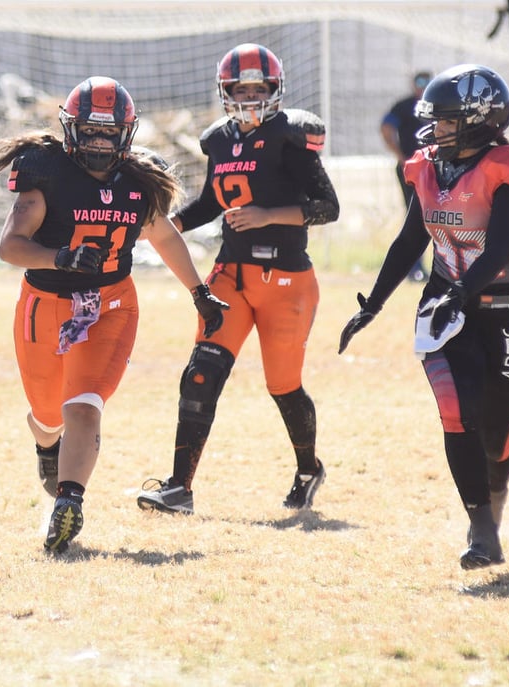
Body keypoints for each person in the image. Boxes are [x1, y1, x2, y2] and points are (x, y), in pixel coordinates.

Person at [0, 76, 228, 553]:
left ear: (125, 134)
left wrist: (199, 291)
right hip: (44, 305)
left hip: (110, 305)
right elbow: (11, 246)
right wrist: (60, 258)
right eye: (90, 131)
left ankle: (69, 503)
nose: (98, 141)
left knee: (84, 406)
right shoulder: (45, 170)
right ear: (71, 131)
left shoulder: (140, 178)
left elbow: (164, 236)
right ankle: (47, 447)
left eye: (107, 133)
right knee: (48, 415)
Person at [338, 64, 509, 570]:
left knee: (497, 436)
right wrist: (374, 304)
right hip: (446, 313)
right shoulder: (428, 165)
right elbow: (411, 239)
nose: (435, 130)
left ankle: (492, 510)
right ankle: (481, 529)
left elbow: (499, 249)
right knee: (457, 414)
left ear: (478, 120)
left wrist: (463, 290)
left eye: (447, 121)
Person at [135, 43, 340, 515]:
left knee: (283, 385)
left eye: (258, 87)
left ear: (275, 89)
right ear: (226, 91)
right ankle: (179, 488)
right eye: (240, 88)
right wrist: (164, 228)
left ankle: (308, 468)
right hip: (229, 275)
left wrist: (268, 214)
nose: (250, 95)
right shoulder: (219, 139)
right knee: (200, 374)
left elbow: (327, 207)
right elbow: (211, 202)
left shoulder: (291, 134)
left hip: (286, 279)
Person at [381, 71, 432, 282]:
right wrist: (400, 156)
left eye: (427, 82)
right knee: (415, 218)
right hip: (412, 170)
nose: (423, 87)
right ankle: (415, 267)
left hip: (437, 169)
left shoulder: (439, 105)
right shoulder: (404, 106)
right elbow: (386, 127)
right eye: (419, 82)